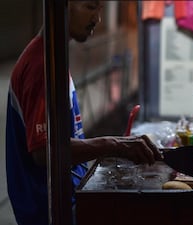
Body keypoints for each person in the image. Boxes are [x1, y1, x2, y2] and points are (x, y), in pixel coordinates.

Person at [5, 1, 163, 225]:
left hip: (66, 199)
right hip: (47, 211)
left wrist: (119, 144)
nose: (97, 19)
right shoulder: (41, 66)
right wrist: (113, 145)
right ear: (62, 7)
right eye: (90, 7)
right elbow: (43, 151)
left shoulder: (54, 58)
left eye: (100, 9)